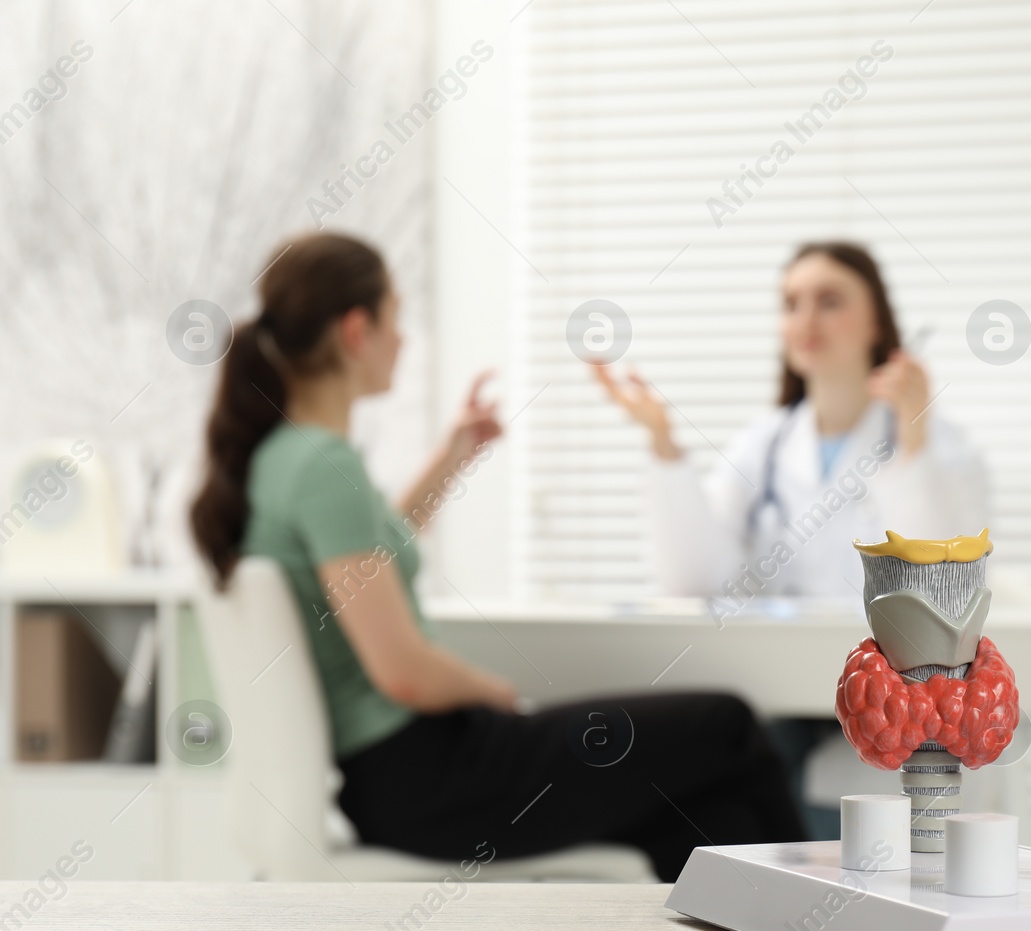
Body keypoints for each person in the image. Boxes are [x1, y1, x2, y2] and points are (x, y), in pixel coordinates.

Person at [189, 233, 805, 882]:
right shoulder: (322, 464)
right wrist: (493, 691)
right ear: (356, 330)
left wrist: (453, 454)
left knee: (704, 807)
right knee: (728, 725)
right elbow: (403, 672)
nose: (403, 340)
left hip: (410, 781)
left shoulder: (285, 460)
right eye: (397, 319)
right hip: (430, 777)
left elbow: (375, 551)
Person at [595, 241, 990, 603]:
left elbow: (945, 592)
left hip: (887, 677)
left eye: (829, 301)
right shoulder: (760, 447)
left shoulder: (939, 444)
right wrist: (662, 440)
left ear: (876, 324)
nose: (807, 319)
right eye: (791, 304)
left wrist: (914, 447)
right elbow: (696, 585)